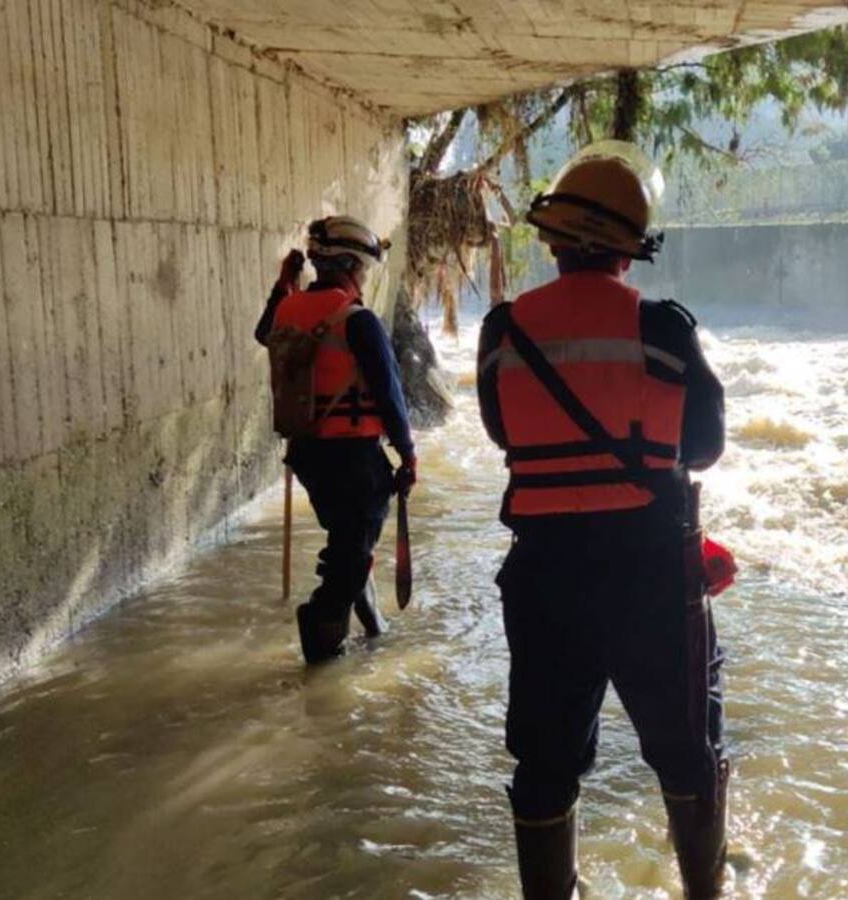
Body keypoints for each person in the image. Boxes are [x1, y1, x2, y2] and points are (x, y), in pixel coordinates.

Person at [476, 142, 728, 899]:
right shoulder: (664, 329)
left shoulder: (502, 331)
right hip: (652, 574)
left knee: (545, 761)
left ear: (552, 240)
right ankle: (705, 890)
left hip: (545, 575)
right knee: (686, 748)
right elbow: (706, 447)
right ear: (633, 246)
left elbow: (501, 431)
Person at [255, 216, 417, 664]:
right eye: (363, 268)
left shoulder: (285, 310)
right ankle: (322, 642)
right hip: (353, 456)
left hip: (307, 454)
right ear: (349, 266)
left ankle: (370, 626)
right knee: (352, 545)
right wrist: (407, 453)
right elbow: (389, 393)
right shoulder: (358, 320)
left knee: (348, 540)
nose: (364, 277)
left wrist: (283, 284)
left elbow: (264, 333)